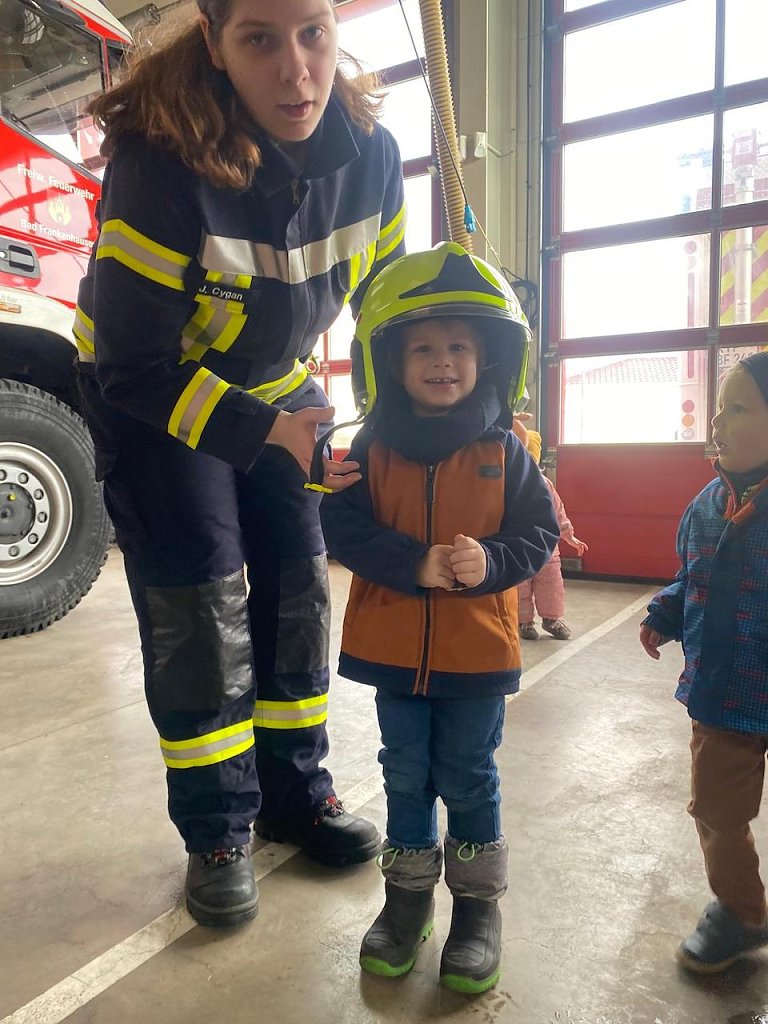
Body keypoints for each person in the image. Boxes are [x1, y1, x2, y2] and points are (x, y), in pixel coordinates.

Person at [73, 0, 407, 929]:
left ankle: (297, 798)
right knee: (200, 600)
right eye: (259, 39)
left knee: (298, 582)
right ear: (216, 46)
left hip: (273, 380)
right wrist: (267, 433)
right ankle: (218, 831)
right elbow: (135, 363)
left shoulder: (373, 157)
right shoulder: (159, 162)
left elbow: (385, 311)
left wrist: (414, 418)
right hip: (154, 395)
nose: (296, 69)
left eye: (313, 33)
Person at [320, 242, 560, 993]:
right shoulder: (369, 448)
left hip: (476, 656)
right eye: (423, 347)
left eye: (459, 346)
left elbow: (539, 532)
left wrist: (493, 561)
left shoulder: (507, 449)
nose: (442, 361)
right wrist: (410, 562)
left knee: (469, 776)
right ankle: (407, 901)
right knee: (404, 774)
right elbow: (342, 527)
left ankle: (478, 910)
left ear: (487, 358)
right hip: (394, 653)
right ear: (390, 362)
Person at [640, 351, 768, 974]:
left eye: (736, 407)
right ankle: (743, 913)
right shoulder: (707, 504)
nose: (718, 421)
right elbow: (689, 576)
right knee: (716, 810)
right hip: (725, 694)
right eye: (719, 407)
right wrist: (664, 614)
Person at [512, 419, 588, 641]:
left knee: (551, 585)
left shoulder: (545, 484)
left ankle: (551, 619)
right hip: (519, 547)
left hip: (547, 548)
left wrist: (568, 535)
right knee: (520, 587)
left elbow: (558, 511)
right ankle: (524, 622)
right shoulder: (507, 484)